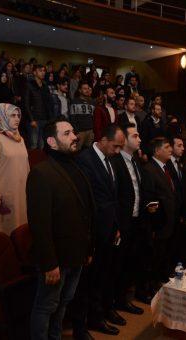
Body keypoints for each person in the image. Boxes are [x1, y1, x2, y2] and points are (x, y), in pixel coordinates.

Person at [27, 117, 94, 340]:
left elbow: (84, 213)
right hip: (56, 260)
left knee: (63, 304)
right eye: (66, 133)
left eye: (73, 132)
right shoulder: (41, 173)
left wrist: (87, 250)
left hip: (76, 255)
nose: (75, 137)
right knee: (46, 307)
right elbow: (39, 224)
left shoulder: (76, 166)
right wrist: (49, 263)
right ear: (51, 142)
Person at [74, 124, 125, 336]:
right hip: (92, 233)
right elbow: (87, 201)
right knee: (87, 282)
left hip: (108, 230)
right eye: (116, 146)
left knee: (103, 276)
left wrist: (116, 227)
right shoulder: (85, 160)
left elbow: (113, 197)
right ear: (103, 140)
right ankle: (83, 325)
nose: (118, 151)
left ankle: (99, 315)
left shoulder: (111, 159)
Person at [110, 123, 150, 314]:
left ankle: (123, 299)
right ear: (124, 140)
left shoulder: (135, 161)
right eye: (135, 136)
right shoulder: (115, 161)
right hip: (121, 223)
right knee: (116, 266)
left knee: (129, 264)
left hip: (136, 221)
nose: (139, 139)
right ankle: (111, 304)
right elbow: (114, 196)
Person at [0, 103, 29, 235]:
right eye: (12, 115)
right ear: (1, 116)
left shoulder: (19, 139)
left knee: (22, 230)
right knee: (7, 231)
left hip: (22, 192)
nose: (17, 119)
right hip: (6, 194)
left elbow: (26, 166)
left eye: (18, 115)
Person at [142, 137, 179, 289]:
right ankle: (150, 286)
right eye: (167, 147)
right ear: (157, 151)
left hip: (169, 222)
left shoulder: (166, 167)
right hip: (158, 224)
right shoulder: (149, 169)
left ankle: (161, 280)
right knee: (154, 258)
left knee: (164, 256)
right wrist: (155, 227)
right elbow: (151, 199)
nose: (171, 149)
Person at [24, 64, 51, 149]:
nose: (43, 73)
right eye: (40, 71)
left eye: (44, 71)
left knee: (42, 145)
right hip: (34, 119)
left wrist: (49, 119)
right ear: (35, 72)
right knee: (33, 145)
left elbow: (48, 103)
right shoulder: (29, 84)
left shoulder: (45, 86)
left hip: (44, 119)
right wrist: (31, 119)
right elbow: (26, 103)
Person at [70, 81, 96, 150]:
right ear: (80, 90)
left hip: (90, 131)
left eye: (88, 88)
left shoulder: (92, 102)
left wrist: (93, 131)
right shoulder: (75, 101)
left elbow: (94, 117)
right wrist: (76, 131)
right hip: (80, 132)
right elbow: (72, 118)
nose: (87, 90)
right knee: (77, 152)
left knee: (88, 152)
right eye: (84, 89)